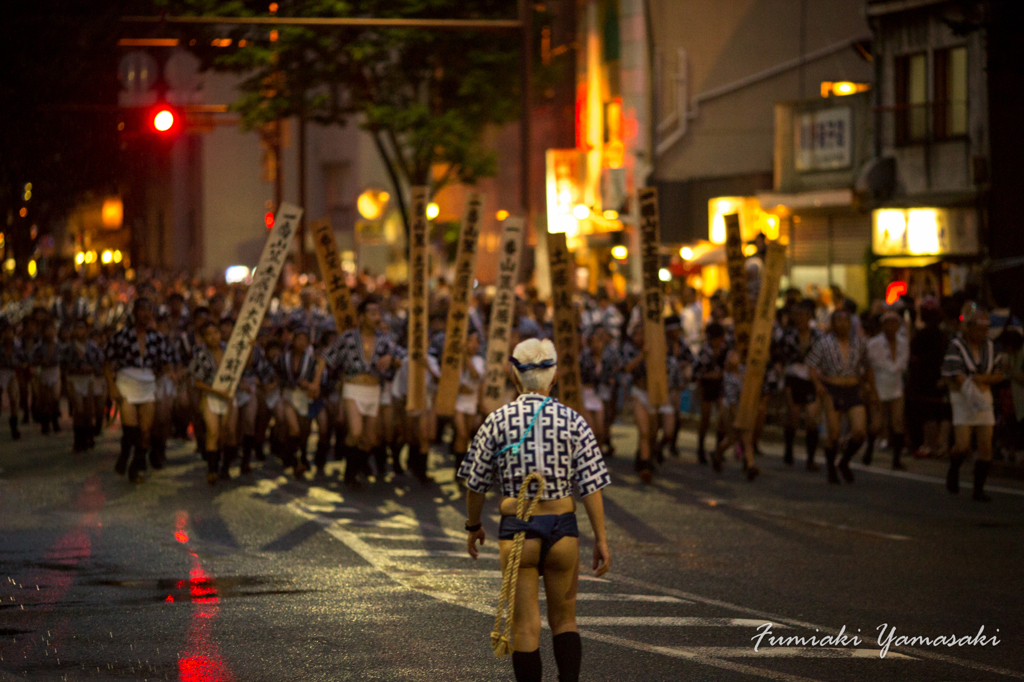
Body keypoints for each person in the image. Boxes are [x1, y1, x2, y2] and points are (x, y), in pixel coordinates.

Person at [459, 338, 611, 682]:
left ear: (515, 376)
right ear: (554, 377)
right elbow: (592, 485)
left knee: (525, 627)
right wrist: (601, 538)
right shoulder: (574, 420)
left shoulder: (496, 420)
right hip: (563, 528)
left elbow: (475, 483)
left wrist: (473, 526)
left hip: (518, 530)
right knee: (565, 620)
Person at [315, 297, 403, 489]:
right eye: (372, 313)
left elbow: (402, 357)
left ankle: (357, 469)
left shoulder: (384, 339)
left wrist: (391, 357)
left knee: (369, 439)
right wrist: (315, 383)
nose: (376, 317)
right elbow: (325, 358)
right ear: (362, 317)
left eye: (378, 313)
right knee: (355, 431)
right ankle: (349, 474)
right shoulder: (347, 338)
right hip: (353, 388)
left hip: (374, 390)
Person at [104, 298, 174, 483]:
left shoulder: (157, 338)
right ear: (134, 312)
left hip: (147, 383)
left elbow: (165, 363)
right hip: (127, 382)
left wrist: (169, 373)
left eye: (148, 310)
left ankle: (136, 463)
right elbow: (106, 361)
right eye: (141, 310)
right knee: (130, 429)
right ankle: (128, 456)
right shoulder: (121, 336)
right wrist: (112, 386)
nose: (145, 313)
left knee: (145, 430)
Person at [942, 309, 1004, 502]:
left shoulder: (991, 347)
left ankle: (979, 489)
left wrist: (983, 379)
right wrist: (971, 388)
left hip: (984, 395)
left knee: (986, 445)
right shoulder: (957, 346)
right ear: (969, 328)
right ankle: (954, 467)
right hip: (962, 396)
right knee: (963, 444)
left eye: (984, 330)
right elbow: (956, 374)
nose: (981, 334)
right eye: (977, 329)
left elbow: (1000, 373)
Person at [807, 309, 871, 485]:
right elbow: (811, 365)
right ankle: (831, 468)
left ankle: (844, 461)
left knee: (859, 431)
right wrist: (818, 385)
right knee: (833, 433)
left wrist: (868, 386)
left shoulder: (859, 343)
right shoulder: (824, 342)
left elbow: (867, 365)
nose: (842, 325)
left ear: (850, 323)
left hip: (852, 387)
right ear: (833, 324)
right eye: (838, 321)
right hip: (832, 388)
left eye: (845, 321)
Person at [188, 320, 238, 484]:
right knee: (213, 432)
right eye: (208, 335)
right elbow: (196, 381)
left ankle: (225, 468)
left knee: (229, 432)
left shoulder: (230, 350)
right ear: (203, 338)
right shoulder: (201, 355)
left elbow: (245, 365)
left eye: (215, 333)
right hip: (211, 395)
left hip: (229, 395)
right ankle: (212, 470)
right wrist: (216, 391)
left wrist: (250, 348)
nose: (213, 337)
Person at [780, 299, 823, 470]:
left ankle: (810, 458)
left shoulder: (817, 336)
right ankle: (789, 450)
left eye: (803, 315)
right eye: (797, 315)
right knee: (793, 415)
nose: (800, 319)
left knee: (812, 418)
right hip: (793, 377)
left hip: (811, 378)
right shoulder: (788, 335)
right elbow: (783, 357)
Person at [865, 310, 910, 470]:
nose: (892, 326)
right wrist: (871, 389)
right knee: (877, 423)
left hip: (896, 385)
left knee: (897, 421)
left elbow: (903, 364)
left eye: (894, 323)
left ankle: (896, 460)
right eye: (888, 323)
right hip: (878, 384)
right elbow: (868, 367)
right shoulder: (874, 343)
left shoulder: (903, 342)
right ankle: (869, 449)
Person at [63, 318, 104, 452]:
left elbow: (100, 363)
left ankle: (88, 436)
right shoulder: (68, 347)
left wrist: (91, 369)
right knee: (78, 409)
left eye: (82, 328)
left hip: (89, 379)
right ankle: (78, 439)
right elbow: (64, 364)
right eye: (77, 328)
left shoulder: (93, 346)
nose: (79, 331)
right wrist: (77, 369)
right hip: (75, 379)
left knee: (88, 410)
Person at [693, 322, 729, 465]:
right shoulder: (704, 351)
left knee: (722, 418)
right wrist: (710, 375)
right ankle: (701, 448)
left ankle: (719, 448)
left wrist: (720, 374)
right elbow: (697, 372)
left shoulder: (725, 351)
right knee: (705, 418)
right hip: (707, 386)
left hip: (720, 387)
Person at [452, 330, 485, 474]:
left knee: (467, 436)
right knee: (462, 433)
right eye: (471, 341)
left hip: (471, 401)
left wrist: (466, 357)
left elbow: (475, 375)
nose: (474, 345)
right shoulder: (454, 360)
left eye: (476, 342)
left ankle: (463, 467)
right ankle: (458, 470)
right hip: (458, 401)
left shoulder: (478, 361)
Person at [0, 322, 26, 440]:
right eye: (5, 332)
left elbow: (23, 359)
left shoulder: (17, 345)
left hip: (11, 373)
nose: (8, 334)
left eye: (10, 332)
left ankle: (14, 427)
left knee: (14, 399)